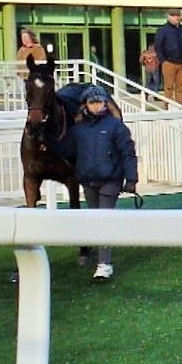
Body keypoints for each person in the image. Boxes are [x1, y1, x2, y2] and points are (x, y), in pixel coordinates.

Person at [69, 85, 139, 281]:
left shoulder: (116, 126)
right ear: (86, 105)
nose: (97, 105)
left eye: (100, 102)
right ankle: (101, 259)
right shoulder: (78, 129)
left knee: (103, 219)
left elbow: (128, 152)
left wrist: (131, 179)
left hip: (111, 180)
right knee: (95, 218)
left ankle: (104, 264)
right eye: (92, 102)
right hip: (89, 181)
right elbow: (68, 149)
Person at [153, 9, 182, 104]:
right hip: (169, 62)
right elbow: (158, 46)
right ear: (168, 17)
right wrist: (163, 61)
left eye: (178, 15)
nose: (176, 17)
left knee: (181, 86)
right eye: (174, 15)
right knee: (169, 86)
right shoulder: (162, 30)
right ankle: (168, 106)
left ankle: (179, 105)